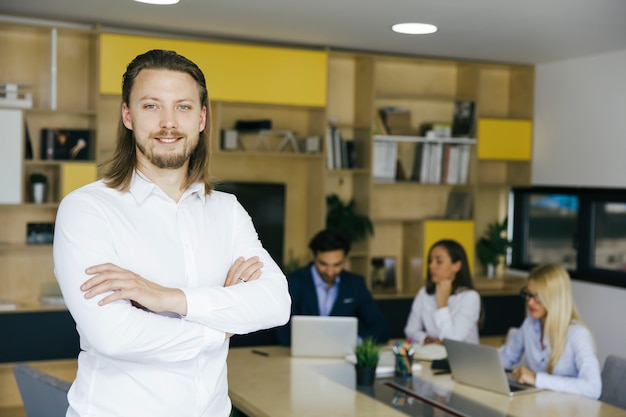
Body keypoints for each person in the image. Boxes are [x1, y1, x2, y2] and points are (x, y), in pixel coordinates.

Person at [53, 49, 291, 417]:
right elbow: (114, 335)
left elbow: (276, 303)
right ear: (128, 116)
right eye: (151, 106)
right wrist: (223, 325)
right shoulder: (87, 209)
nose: (168, 123)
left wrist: (167, 299)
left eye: (183, 107)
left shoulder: (226, 211)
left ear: (201, 117)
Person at [500, 263, 601, 399]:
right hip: (537, 406)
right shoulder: (530, 324)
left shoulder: (578, 335)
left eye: (538, 297)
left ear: (555, 298)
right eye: (528, 294)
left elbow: (593, 388)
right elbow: (506, 357)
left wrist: (537, 379)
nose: (530, 302)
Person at [276, 229, 389, 345]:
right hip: (300, 355)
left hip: (343, 355)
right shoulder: (294, 282)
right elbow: (282, 330)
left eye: (337, 265)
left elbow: (380, 327)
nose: (330, 272)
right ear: (314, 257)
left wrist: (354, 342)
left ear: (345, 259)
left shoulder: (355, 284)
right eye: (323, 264)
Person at [404, 239, 480, 345]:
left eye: (439, 262)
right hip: (432, 355)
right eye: (430, 261)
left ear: (456, 266)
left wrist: (442, 305)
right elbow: (410, 330)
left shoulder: (470, 297)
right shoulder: (424, 293)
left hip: (462, 359)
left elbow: (453, 342)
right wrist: (427, 340)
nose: (431, 266)